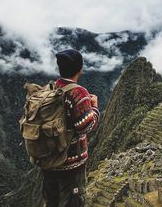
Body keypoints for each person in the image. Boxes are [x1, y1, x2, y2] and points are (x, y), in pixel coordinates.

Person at [41, 49, 100, 207]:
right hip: (71, 164)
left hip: (49, 159)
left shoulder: (50, 88)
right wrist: (94, 108)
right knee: (73, 202)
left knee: (52, 202)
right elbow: (86, 126)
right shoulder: (78, 92)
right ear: (80, 69)